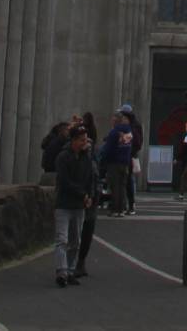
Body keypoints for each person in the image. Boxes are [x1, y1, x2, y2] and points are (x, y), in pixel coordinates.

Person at [52, 120, 97, 288]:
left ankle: (70, 270)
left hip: (79, 204)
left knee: (75, 240)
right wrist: (83, 194)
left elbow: (90, 179)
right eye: (81, 140)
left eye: (86, 140)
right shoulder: (64, 157)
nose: (84, 143)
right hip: (64, 203)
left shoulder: (86, 158)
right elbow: (65, 181)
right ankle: (61, 271)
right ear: (73, 141)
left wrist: (90, 195)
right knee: (62, 239)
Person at [73, 114, 100, 278]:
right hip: (78, 197)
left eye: (87, 140)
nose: (85, 143)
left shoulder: (92, 155)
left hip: (90, 196)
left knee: (86, 230)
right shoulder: (70, 155)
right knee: (74, 231)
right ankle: (71, 264)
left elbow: (95, 174)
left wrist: (94, 195)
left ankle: (80, 262)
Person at [98, 109, 134, 216]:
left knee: (114, 186)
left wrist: (104, 159)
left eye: (113, 119)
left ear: (116, 121)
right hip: (125, 161)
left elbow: (108, 149)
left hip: (114, 162)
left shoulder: (114, 132)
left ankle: (115, 209)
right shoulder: (129, 132)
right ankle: (122, 209)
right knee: (122, 186)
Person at [120, 101, 144, 211]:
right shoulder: (134, 125)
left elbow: (137, 142)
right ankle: (128, 203)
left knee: (128, 180)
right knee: (128, 179)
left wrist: (130, 151)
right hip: (130, 154)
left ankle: (130, 203)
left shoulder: (132, 127)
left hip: (129, 155)